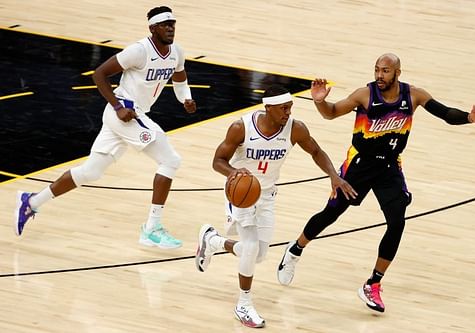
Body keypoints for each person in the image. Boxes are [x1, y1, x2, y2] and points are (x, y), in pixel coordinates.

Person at [276, 53, 475, 313]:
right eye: (377, 70)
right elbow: (331, 113)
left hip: (390, 166)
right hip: (360, 165)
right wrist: (320, 102)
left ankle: (373, 284)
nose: (380, 75)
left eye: (386, 71)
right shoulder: (364, 95)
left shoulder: (414, 95)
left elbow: (445, 113)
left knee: (397, 222)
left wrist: (469, 118)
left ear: (398, 72)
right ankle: (296, 249)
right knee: (331, 214)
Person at [14, 6, 196, 249]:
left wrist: (185, 98)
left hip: (130, 114)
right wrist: (118, 106)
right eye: (165, 24)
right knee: (171, 160)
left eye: (172, 23)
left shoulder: (176, 53)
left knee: (91, 172)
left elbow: (180, 78)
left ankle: (32, 202)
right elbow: (99, 74)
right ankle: (152, 228)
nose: (171, 28)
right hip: (125, 113)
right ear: (152, 29)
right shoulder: (138, 51)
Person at [194, 85, 357, 328]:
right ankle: (244, 305)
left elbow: (315, 151)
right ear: (267, 108)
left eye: (290, 107)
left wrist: (333, 174)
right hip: (240, 193)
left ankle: (213, 241)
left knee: (258, 255)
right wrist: (233, 172)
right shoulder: (242, 127)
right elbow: (217, 161)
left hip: (267, 194)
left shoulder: (295, 128)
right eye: (283, 108)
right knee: (249, 248)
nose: (287, 113)